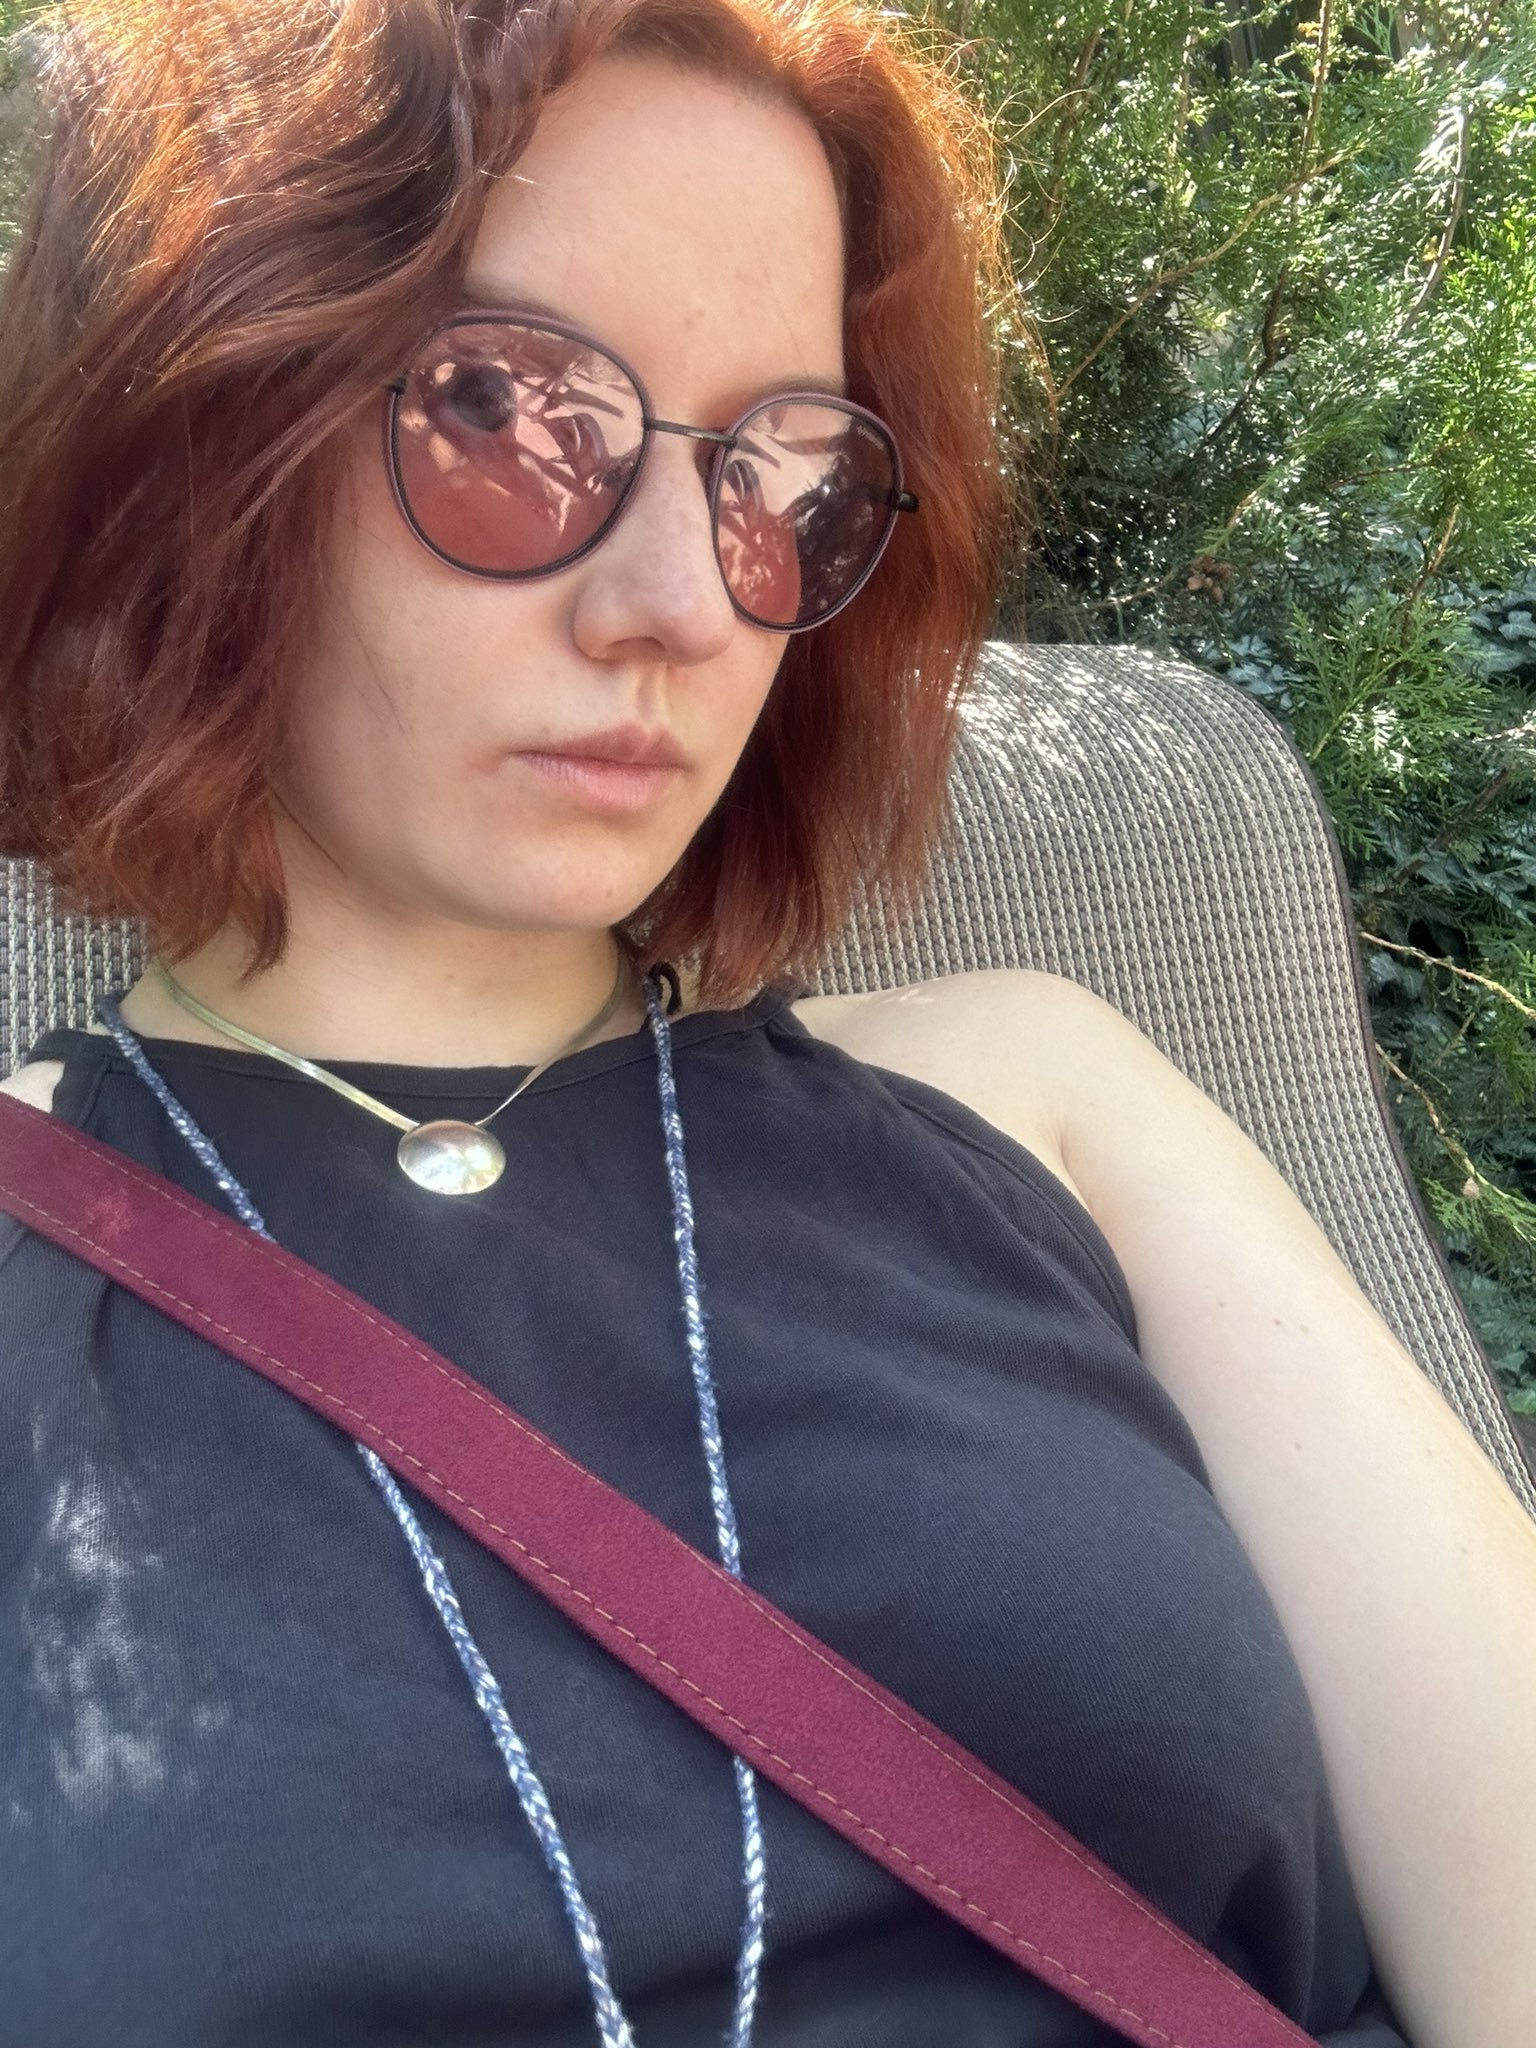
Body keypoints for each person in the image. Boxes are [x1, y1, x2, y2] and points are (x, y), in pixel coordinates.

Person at [1, 1, 1532, 2043]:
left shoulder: (1037, 1098)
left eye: (778, 474)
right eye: (503, 408)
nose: (684, 600)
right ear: (193, 437)